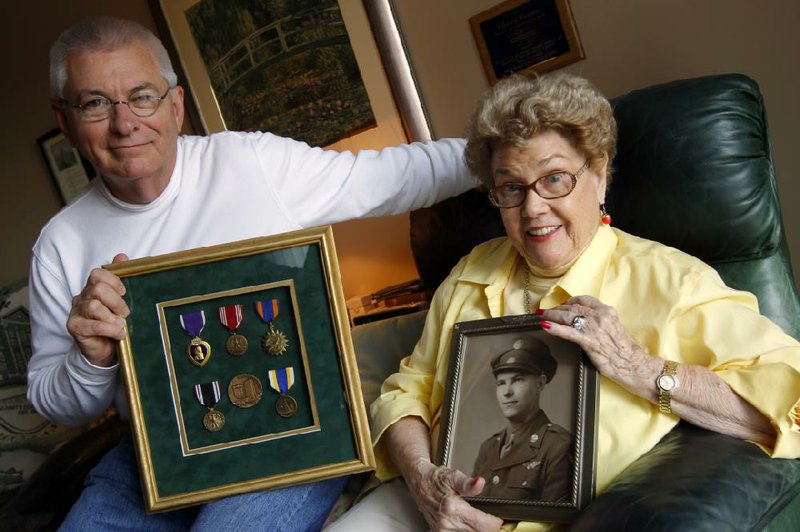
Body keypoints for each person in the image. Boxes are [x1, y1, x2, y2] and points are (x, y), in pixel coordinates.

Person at [26, 16, 475, 531]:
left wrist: (514, 151)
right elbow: (55, 401)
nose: (124, 122)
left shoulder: (251, 163)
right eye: (95, 103)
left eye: (141, 96)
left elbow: (396, 177)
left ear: (176, 105)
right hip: (150, 455)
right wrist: (92, 360)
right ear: (65, 121)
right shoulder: (60, 244)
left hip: (288, 432)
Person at [328, 71, 800, 531]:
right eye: (511, 187)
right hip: (433, 505)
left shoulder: (672, 282)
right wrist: (423, 478)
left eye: (554, 179)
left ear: (598, 175)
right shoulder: (472, 270)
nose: (532, 207)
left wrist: (638, 367)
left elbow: (790, 398)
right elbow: (406, 389)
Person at [472, 339, 571, 502]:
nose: (507, 392)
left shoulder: (559, 445)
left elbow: (553, 520)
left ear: (540, 383)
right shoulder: (488, 448)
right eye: (501, 383)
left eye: (518, 380)